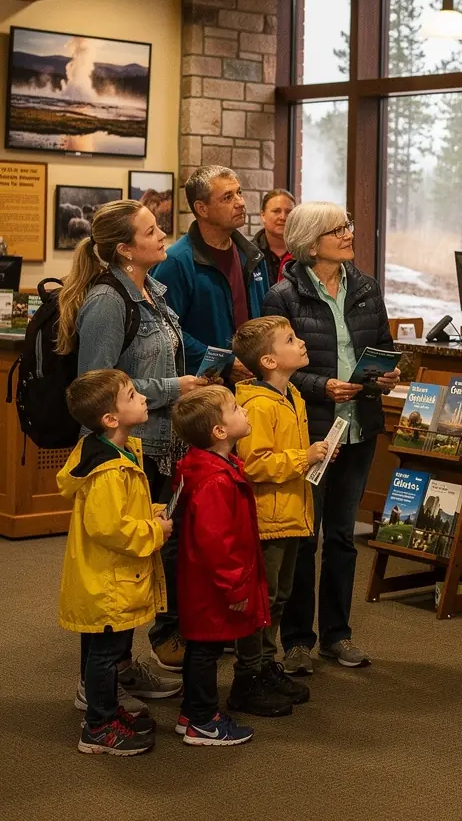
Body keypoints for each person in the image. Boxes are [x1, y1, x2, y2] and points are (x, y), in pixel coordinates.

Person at [59, 199, 206, 680]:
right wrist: (172, 388)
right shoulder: (107, 301)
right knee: (115, 566)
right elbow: (95, 389)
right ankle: (98, 681)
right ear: (124, 248)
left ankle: (120, 667)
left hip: (156, 445)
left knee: (140, 561)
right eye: (151, 230)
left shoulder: (154, 292)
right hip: (123, 452)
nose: (163, 234)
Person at [261, 201, 400, 674]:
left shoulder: (366, 288)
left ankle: (337, 635)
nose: (347, 233)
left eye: (347, 225)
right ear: (309, 241)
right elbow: (274, 368)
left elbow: (381, 345)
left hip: (359, 428)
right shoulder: (283, 296)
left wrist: (384, 374)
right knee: (305, 537)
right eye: (336, 229)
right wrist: (322, 386)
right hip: (311, 433)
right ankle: (298, 640)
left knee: (342, 538)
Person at [57, 369, 172, 756]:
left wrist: (151, 513)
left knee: (101, 650)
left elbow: (125, 511)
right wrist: (154, 532)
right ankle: (98, 727)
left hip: (107, 578)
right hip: (108, 581)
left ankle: (104, 710)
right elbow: (111, 529)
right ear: (111, 419)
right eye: (132, 395)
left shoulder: (120, 452)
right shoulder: (108, 470)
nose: (142, 398)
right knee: (106, 654)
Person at [230, 317, 335, 712]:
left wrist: (314, 457)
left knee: (279, 598)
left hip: (292, 512)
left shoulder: (291, 394)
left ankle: (265, 665)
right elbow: (254, 464)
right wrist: (301, 457)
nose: (302, 342)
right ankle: (247, 677)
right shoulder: (257, 405)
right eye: (291, 340)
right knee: (262, 599)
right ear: (270, 360)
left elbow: (288, 455)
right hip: (267, 519)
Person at [172, 386, 269, 746]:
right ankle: (202, 720)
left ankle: (192, 711)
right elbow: (219, 543)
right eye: (235, 408)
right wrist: (235, 588)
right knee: (206, 648)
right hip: (212, 583)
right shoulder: (215, 480)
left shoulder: (220, 467)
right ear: (219, 432)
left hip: (206, 580)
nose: (244, 411)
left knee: (203, 646)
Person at [152, 165, 270, 381]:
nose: (240, 202)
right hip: (204, 390)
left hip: (254, 380)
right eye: (227, 197)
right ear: (202, 208)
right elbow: (165, 331)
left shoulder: (253, 256)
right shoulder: (175, 262)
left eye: (239, 193)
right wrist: (224, 363)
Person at [253, 188, 296, 284]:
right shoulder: (249, 254)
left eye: (288, 212)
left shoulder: (303, 255)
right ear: (263, 215)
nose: (283, 217)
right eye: (276, 211)